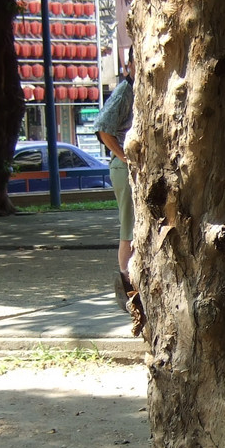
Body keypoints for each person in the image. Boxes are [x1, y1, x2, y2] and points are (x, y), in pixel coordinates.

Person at [95, 51, 136, 312]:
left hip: (137, 168)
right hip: (125, 168)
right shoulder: (125, 91)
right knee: (129, 227)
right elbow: (103, 127)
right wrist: (123, 156)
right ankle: (126, 285)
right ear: (129, 65)